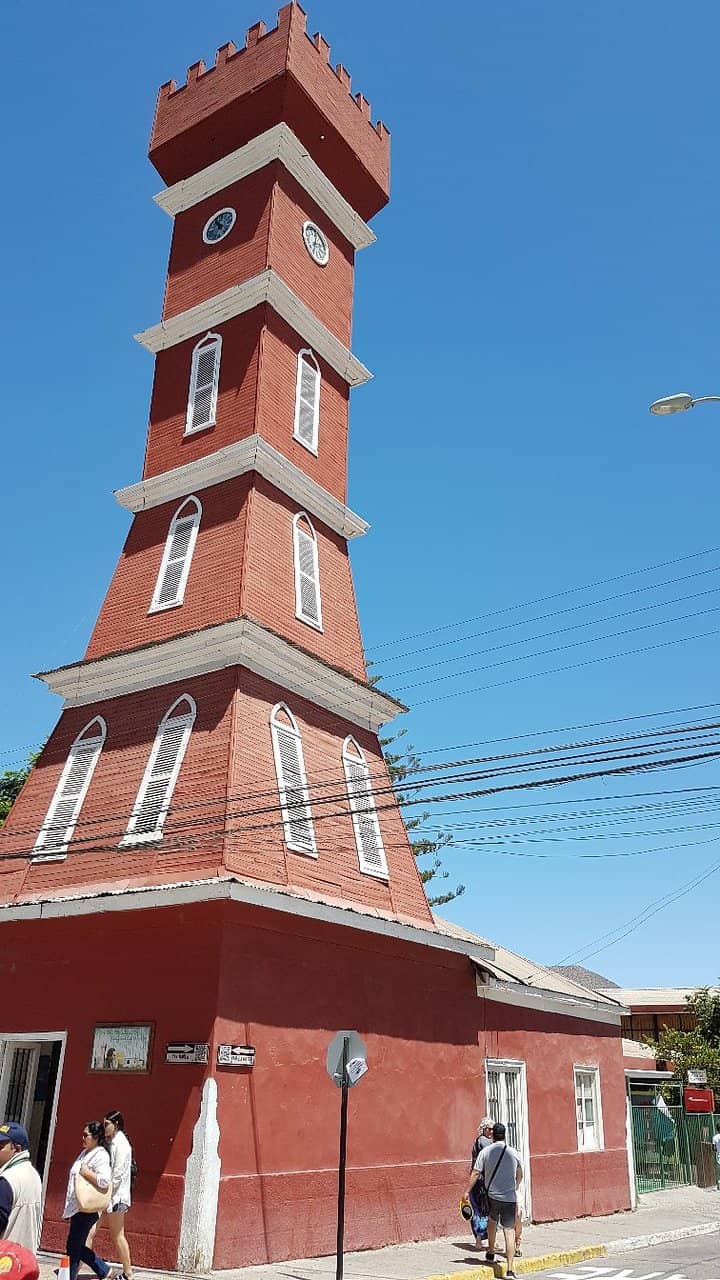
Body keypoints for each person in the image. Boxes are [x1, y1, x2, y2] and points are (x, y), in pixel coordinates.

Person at [466, 1121, 523, 1280]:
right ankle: (510, 1269)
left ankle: (490, 1252)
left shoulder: (486, 1152)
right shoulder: (513, 1152)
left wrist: (467, 1191)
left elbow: (476, 1173)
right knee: (509, 1230)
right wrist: (515, 1187)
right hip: (509, 1197)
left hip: (492, 1195)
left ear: (492, 1136)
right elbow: (520, 1175)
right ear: (505, 1135)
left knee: (492, 1221)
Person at [61, 1121, 113, 1280]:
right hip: (78, 1206)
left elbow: (104, 1181)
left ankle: (73, 1275)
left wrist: (87, 1172)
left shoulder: (101, 1155)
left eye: (86, 1135)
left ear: (96, 1137)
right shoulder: (85, 1153)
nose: (82, 1138)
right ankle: (103, 1270)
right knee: (75, 1244)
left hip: (87, 1207)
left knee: (74, 1245)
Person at [87, 1112, 134, 1280]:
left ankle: (128, 1272)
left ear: (116, 1124)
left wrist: (104, 1193)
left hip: (116, 1198)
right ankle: (75, 1268)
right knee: (90, 1232)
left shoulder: (121, 1145)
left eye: (107, 1124)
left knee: (117, 1235)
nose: (104, 1127)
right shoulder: (112, 1143)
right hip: (108, 1198)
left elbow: (118, 1175)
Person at [0, 1122, 42, 1253]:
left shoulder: (8, 1179)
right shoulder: (33, 1174)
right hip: (26, 1260)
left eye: (0, 1146)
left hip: (6, 1262)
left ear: (17, 1149)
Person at [468, 1118, 494, 1247]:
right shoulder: (484, 1142)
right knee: (484, 1209)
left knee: (480, 1209)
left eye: (492, 1129)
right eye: (488, 1129)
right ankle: (482, 1239)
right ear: (483, 1129)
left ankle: (482, 1239)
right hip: (482, 1181)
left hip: (478, 1179)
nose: (491, 1131)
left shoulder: (480, 1140)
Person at [713, 1122, 720, 1188]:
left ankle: (718, 1185)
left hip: (718, 1157)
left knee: (718, 1172)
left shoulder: (715, 1137)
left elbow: (713, 1148)